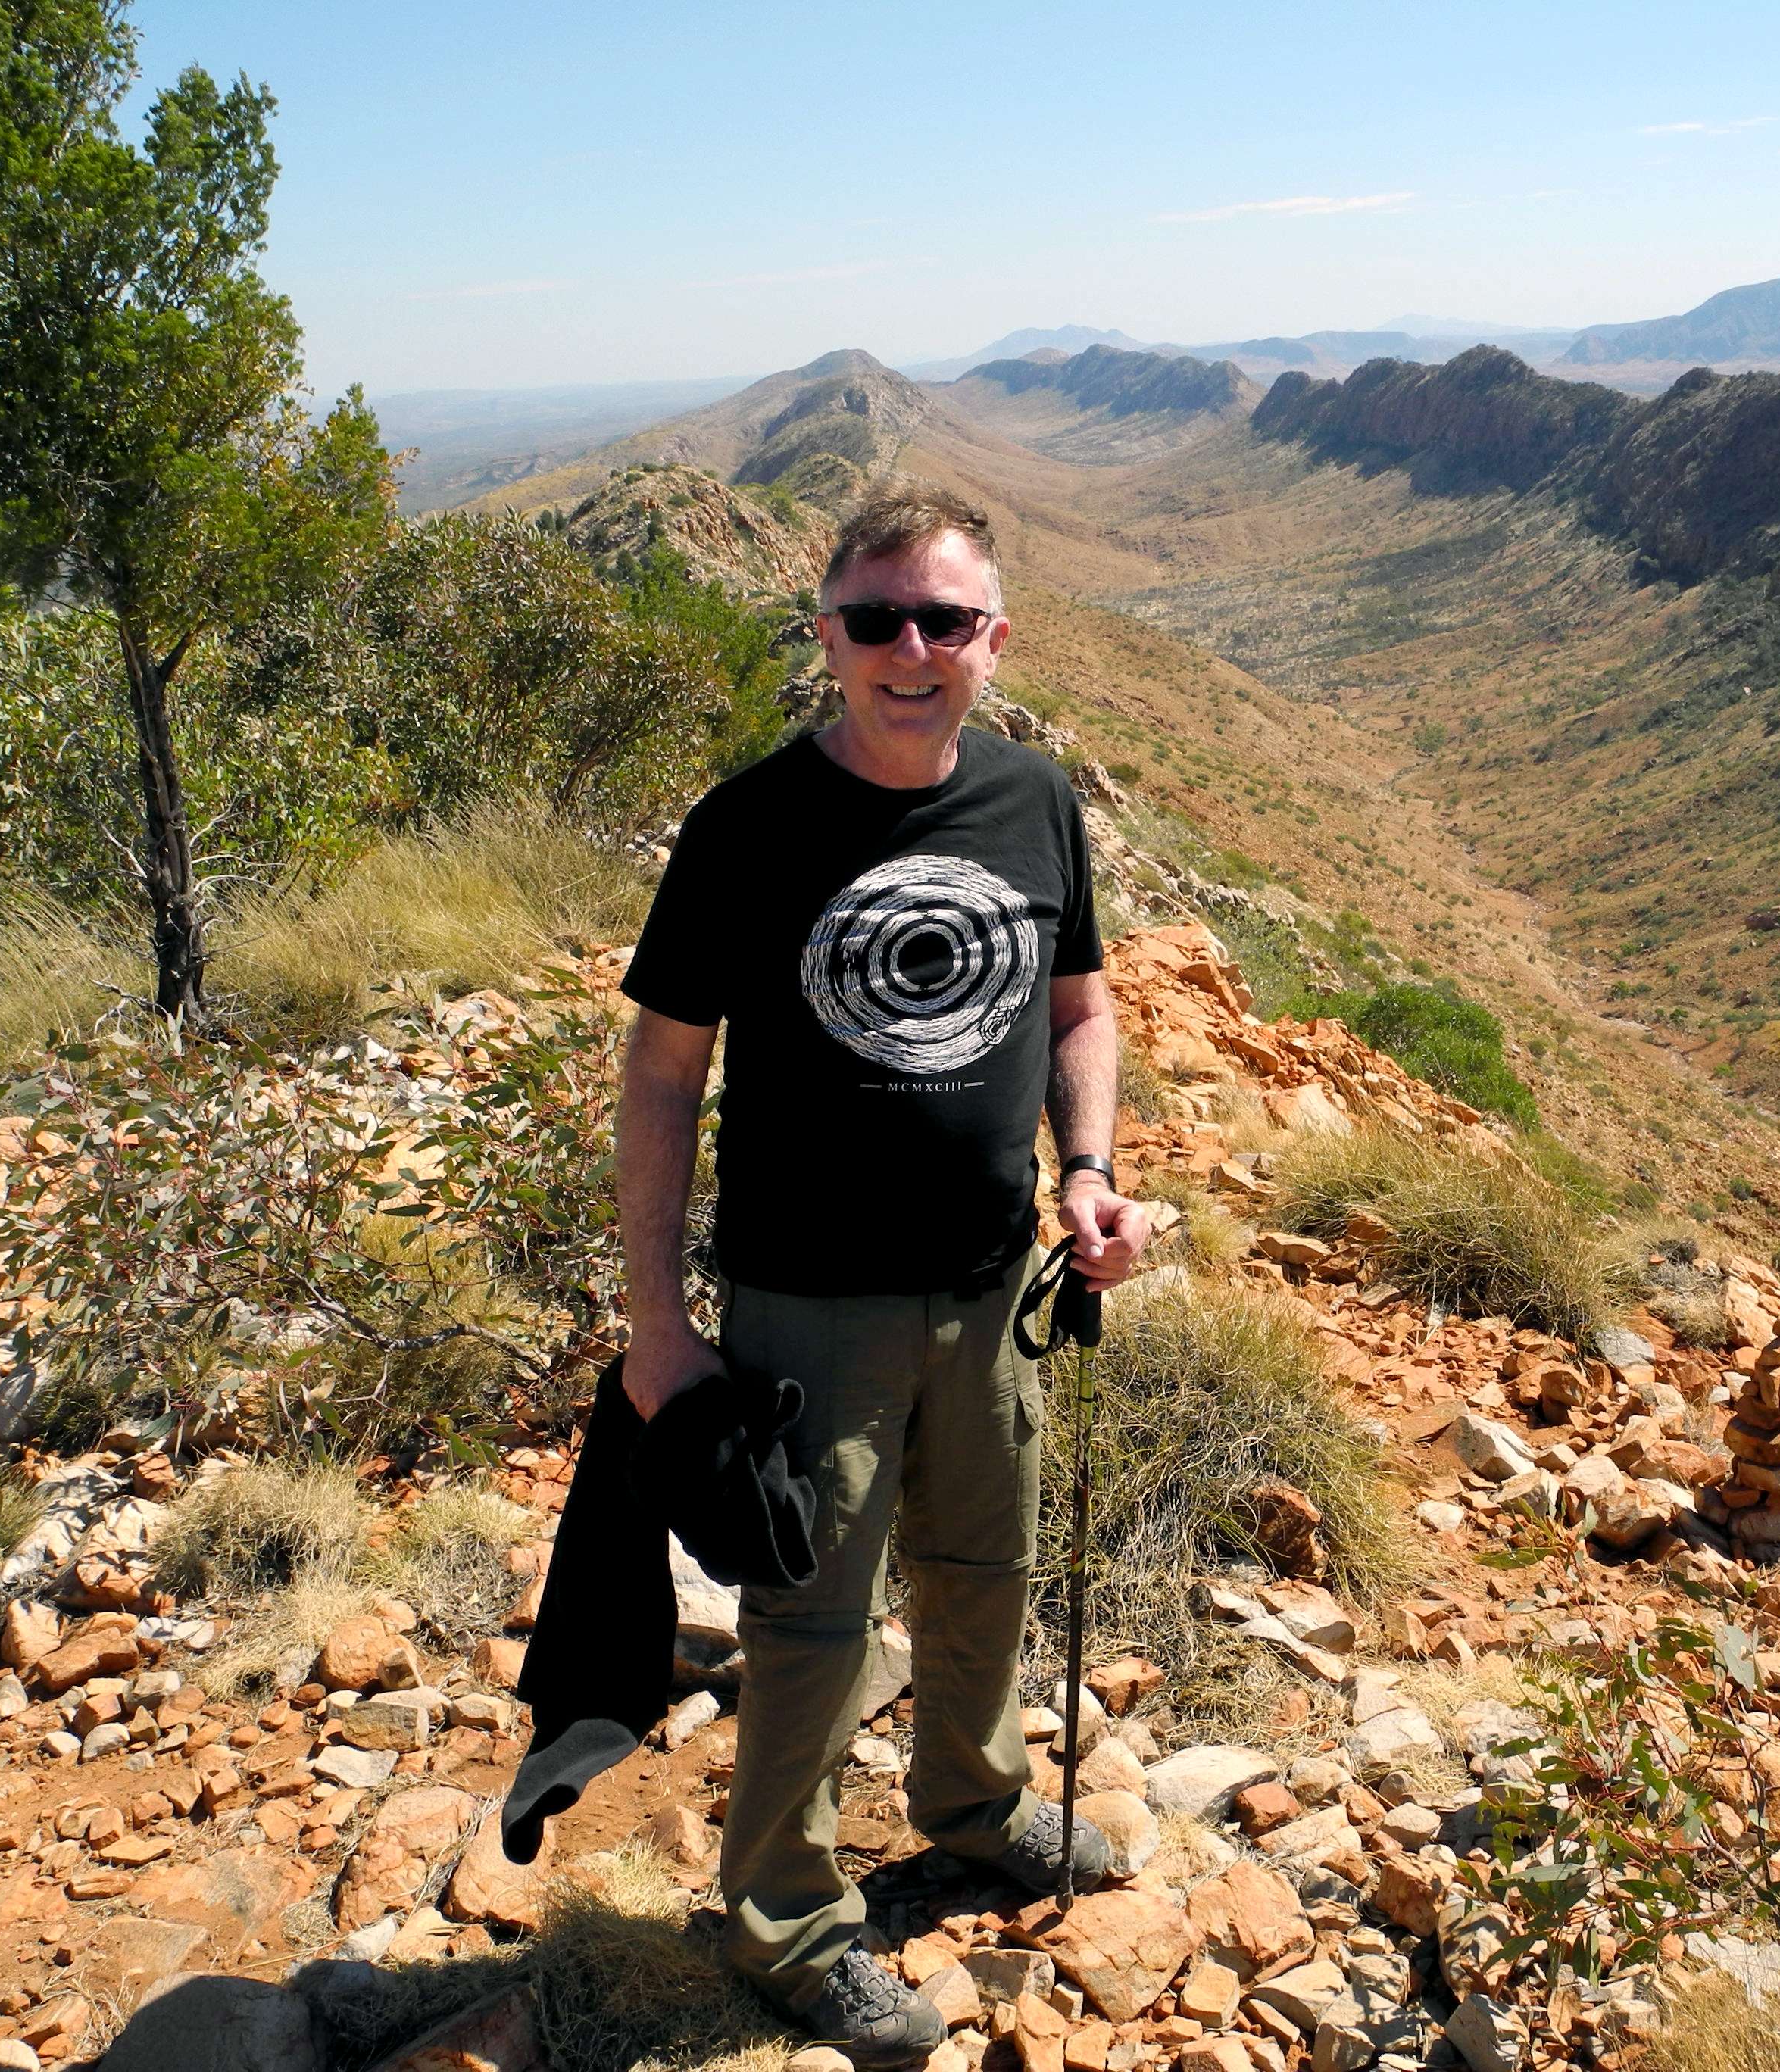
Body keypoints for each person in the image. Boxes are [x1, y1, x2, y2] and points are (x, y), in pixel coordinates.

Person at [613, 486, 1154, 2064]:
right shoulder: (746, 828)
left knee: (986, 1573)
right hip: (809, 1309)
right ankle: (786, 1927)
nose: (909, 651)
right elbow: (661, 1079)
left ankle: (976, 1809)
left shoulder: (1038, 803)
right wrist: (659, 1323)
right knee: (811, 1623)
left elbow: (1081, 1012)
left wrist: (1093, 1177)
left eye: (944, 622)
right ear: (829, 635)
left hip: (994, 1289)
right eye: (875, 621)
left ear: (997, 640)